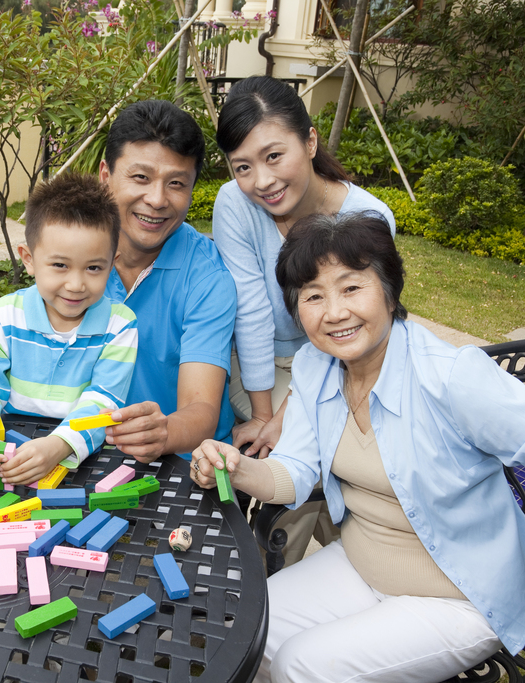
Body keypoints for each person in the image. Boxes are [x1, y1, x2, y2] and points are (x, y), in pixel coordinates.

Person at [190, 212, 525, 683]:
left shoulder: (452, 377)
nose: (334, 312)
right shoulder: (314, 365)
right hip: (360, 566)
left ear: (389, 289)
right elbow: (295, 471)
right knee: (242, 632)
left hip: (460, 597)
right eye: (313, 296)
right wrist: (235, 468)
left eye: (351, 288)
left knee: (304, 666)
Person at [213, 75, 395, 563]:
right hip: (257, 367)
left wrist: (293, 413)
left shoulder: (367, 218)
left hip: (341, 363)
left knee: (315, 445)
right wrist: (268, 414)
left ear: (310, 140)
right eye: (243, 167)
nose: (263, 182)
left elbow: (349, 330)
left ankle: (323, 562)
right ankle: (286, 567)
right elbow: (250, 310)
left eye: (275, 156)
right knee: (299, 447)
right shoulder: (235, 203)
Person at [0, 173, 138, 485]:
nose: (76, 285)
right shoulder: (3, 316)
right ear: (29, 259)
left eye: (94, 268)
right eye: (60, 265)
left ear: (112, 262)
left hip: (82, 457)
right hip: (9, 450)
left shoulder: (120, 325)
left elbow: (103, 402)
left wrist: (58, 445)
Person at [99, 100, 237, 462]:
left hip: (183, 466)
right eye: (140, 178)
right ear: (105, 176)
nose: (157, 200)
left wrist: (162, 433)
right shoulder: (74, 254)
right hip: (86, 452)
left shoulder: (207, 278)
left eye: (176, 183)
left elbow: (201, 409)